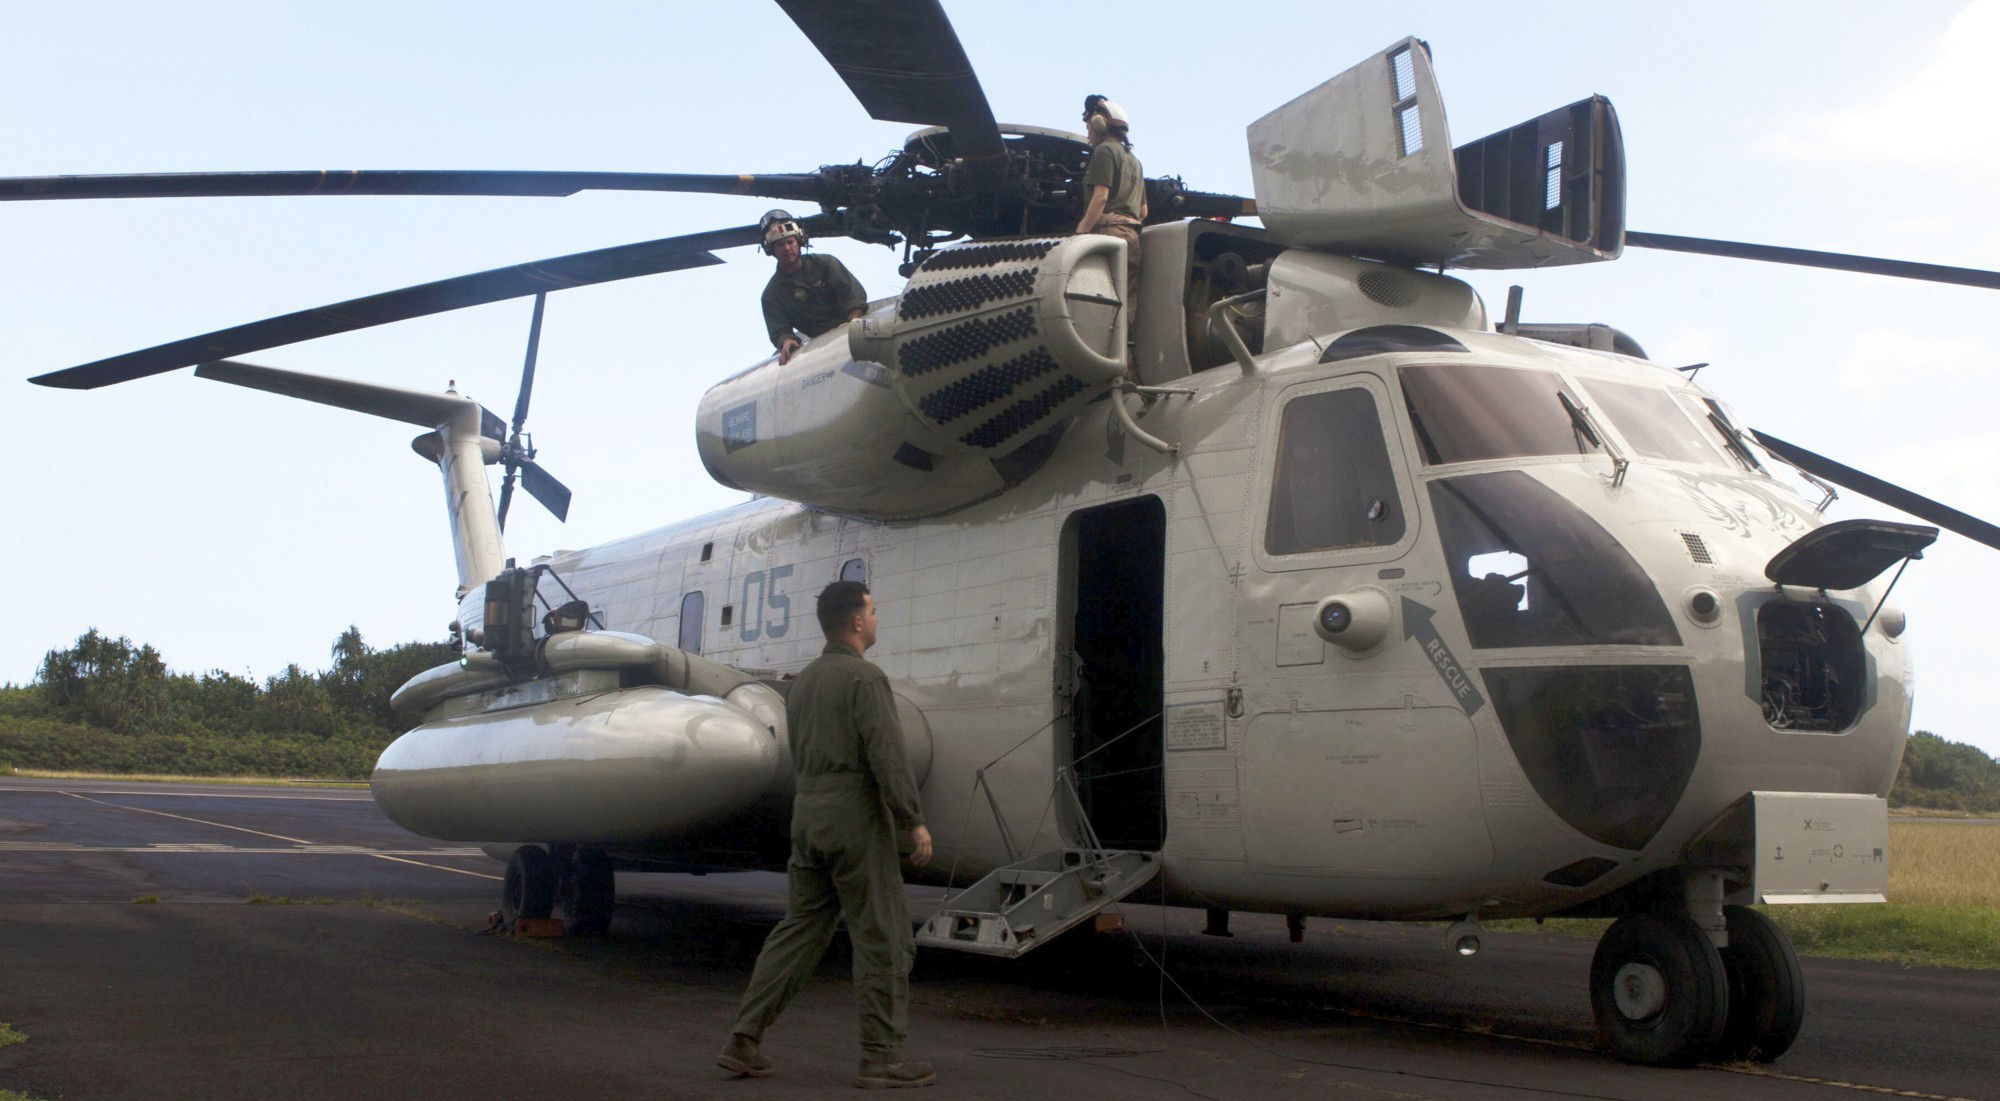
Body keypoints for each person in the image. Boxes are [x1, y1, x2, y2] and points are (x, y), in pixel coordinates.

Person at [718, 581, 936, 1089]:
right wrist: (912, 819)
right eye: (874, 612)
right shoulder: (866, 679)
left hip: (808, 816)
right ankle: (881, 1057)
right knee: (884, 937)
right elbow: (886, 753)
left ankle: (744, 1039)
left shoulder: (806, 682)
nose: (878, 620)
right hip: (854, 819)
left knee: (798, 931)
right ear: (856, 622)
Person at [760, 210, 867, 366]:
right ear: (772, 250)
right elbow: (780, 330)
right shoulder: (772, 294)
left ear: (799, 242)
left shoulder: (825, 264)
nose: (787, 248)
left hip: (853, 334)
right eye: (780, 245)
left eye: (790, 242)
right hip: (822, 348)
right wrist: (786, 341)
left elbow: (854, 298)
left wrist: (853, 324)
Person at [1074, 95, 1147, 312]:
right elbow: (1143, 211)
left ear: (1099, 125)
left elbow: (1101, 197)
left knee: (1098, 300)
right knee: (1125, 302)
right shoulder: (1135, 161)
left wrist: (1080, 234)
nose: (1088, 134)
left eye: (1089, 127)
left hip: (1107, 232)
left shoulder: (1105, 151)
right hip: (1132, 238)